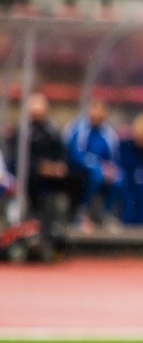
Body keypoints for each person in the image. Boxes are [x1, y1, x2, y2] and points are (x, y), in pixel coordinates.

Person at [22, 93, 77, 254]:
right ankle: (37, 225)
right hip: (33, 176)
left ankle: (71, 217)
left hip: (52, 176)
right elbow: (21, 160)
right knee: (36, 186)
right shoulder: (25, 132)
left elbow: (62, 152)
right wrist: (41, 167)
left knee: (77, 178)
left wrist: (59, 166)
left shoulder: (52, 130)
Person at [65, 98, 123, 231]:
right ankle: (83, 212)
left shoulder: (108, 133)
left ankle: (107, 214)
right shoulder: (79, 129)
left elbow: (113, 157)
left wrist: (111, 169)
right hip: (79, 168)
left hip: (102, 169)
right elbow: (76, 155)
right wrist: (97, 166)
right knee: (96, 176)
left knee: (119, 178)